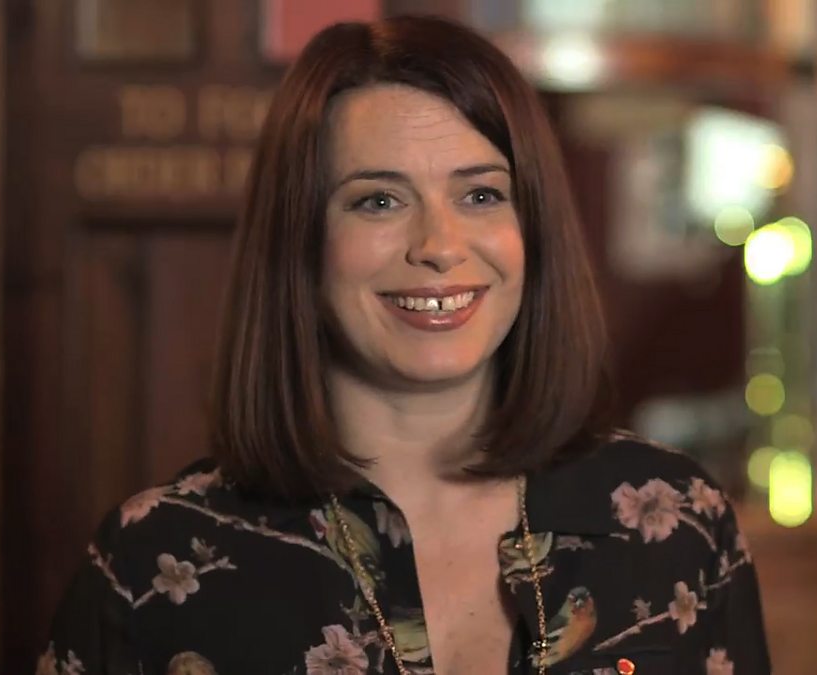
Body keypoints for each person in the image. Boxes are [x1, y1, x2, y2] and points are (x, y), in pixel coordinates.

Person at [41, 15, 770, 675]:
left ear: (533, 230)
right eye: (379, 200)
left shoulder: (678, 523)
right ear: (301, 242)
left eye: (480, 194)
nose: (439, 246)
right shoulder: (151, 563)